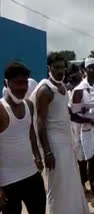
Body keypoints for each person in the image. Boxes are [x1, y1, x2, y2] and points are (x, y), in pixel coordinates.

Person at [30, 53, 90, 214]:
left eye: (62, 67)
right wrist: (47, 151)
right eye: (56, 67)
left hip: (67, 141)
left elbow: (63, 111)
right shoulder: (45, 90)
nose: (60, 70)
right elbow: (40, 123)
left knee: (70, 182)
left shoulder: (62, 87)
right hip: (54, 145)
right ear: (49, 68)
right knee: (57, 186)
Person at [0, 62, 46, 214]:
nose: (23, 88)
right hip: (8, 181)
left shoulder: (28, 105)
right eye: (18, 83)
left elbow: (30, 132)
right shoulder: (1, 110)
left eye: (25, 83)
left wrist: (37, 156)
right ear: (6, 83)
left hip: (31, 174)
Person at [70, 58, 94, 207]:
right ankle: (92, 190)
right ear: (85, 70)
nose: (92, 70)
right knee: (89, 161)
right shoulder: (79, 88)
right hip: (86, 130)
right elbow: (74, 113)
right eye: (90, 68)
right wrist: (89, 120)